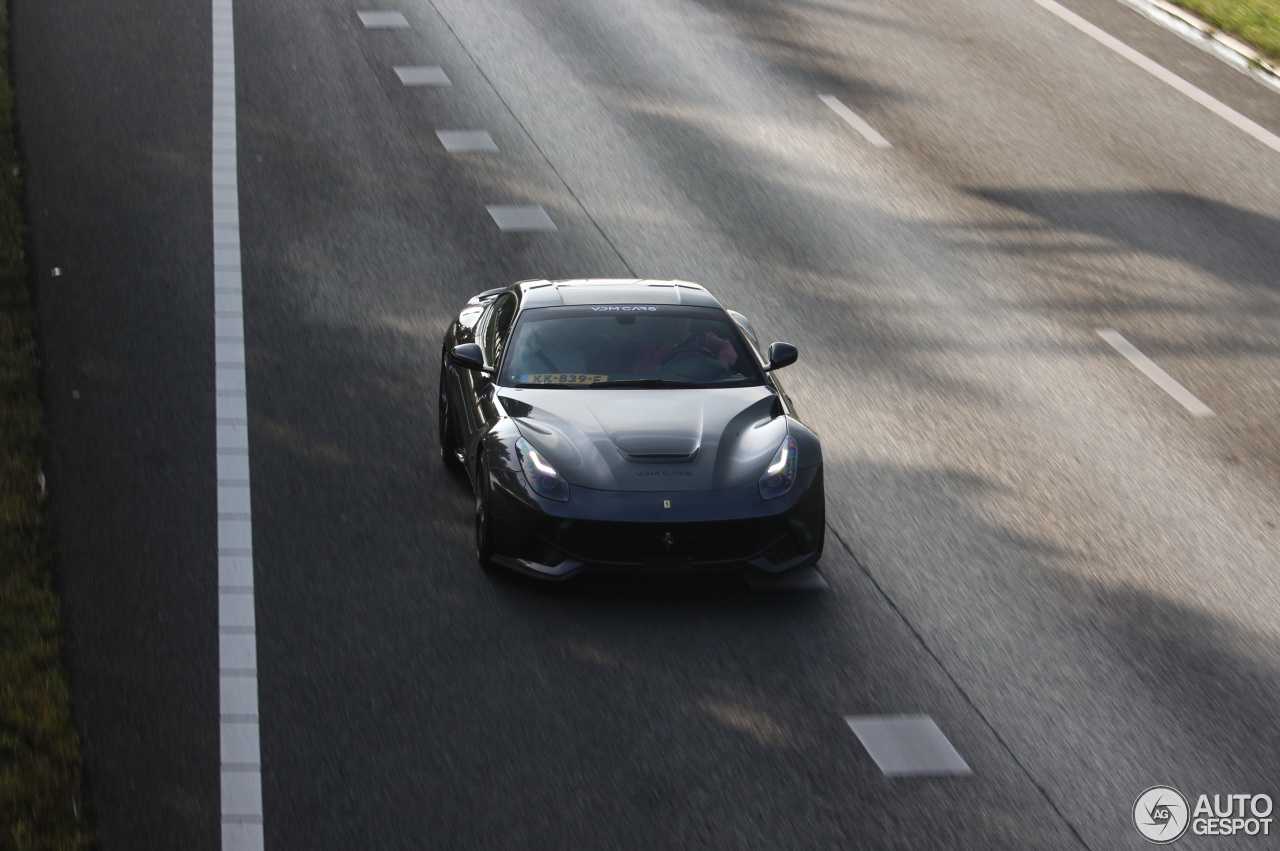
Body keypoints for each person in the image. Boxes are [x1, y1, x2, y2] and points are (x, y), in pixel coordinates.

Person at [632, 317, 737, 374]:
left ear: (690, 322)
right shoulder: (650, 348)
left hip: (706, 387)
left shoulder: (705, 339)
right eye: (675, 322)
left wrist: (720, 364)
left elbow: (728, 347)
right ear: (666, 324)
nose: (680, 325)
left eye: (684, 321)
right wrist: (654, 373)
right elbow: (641, 375)